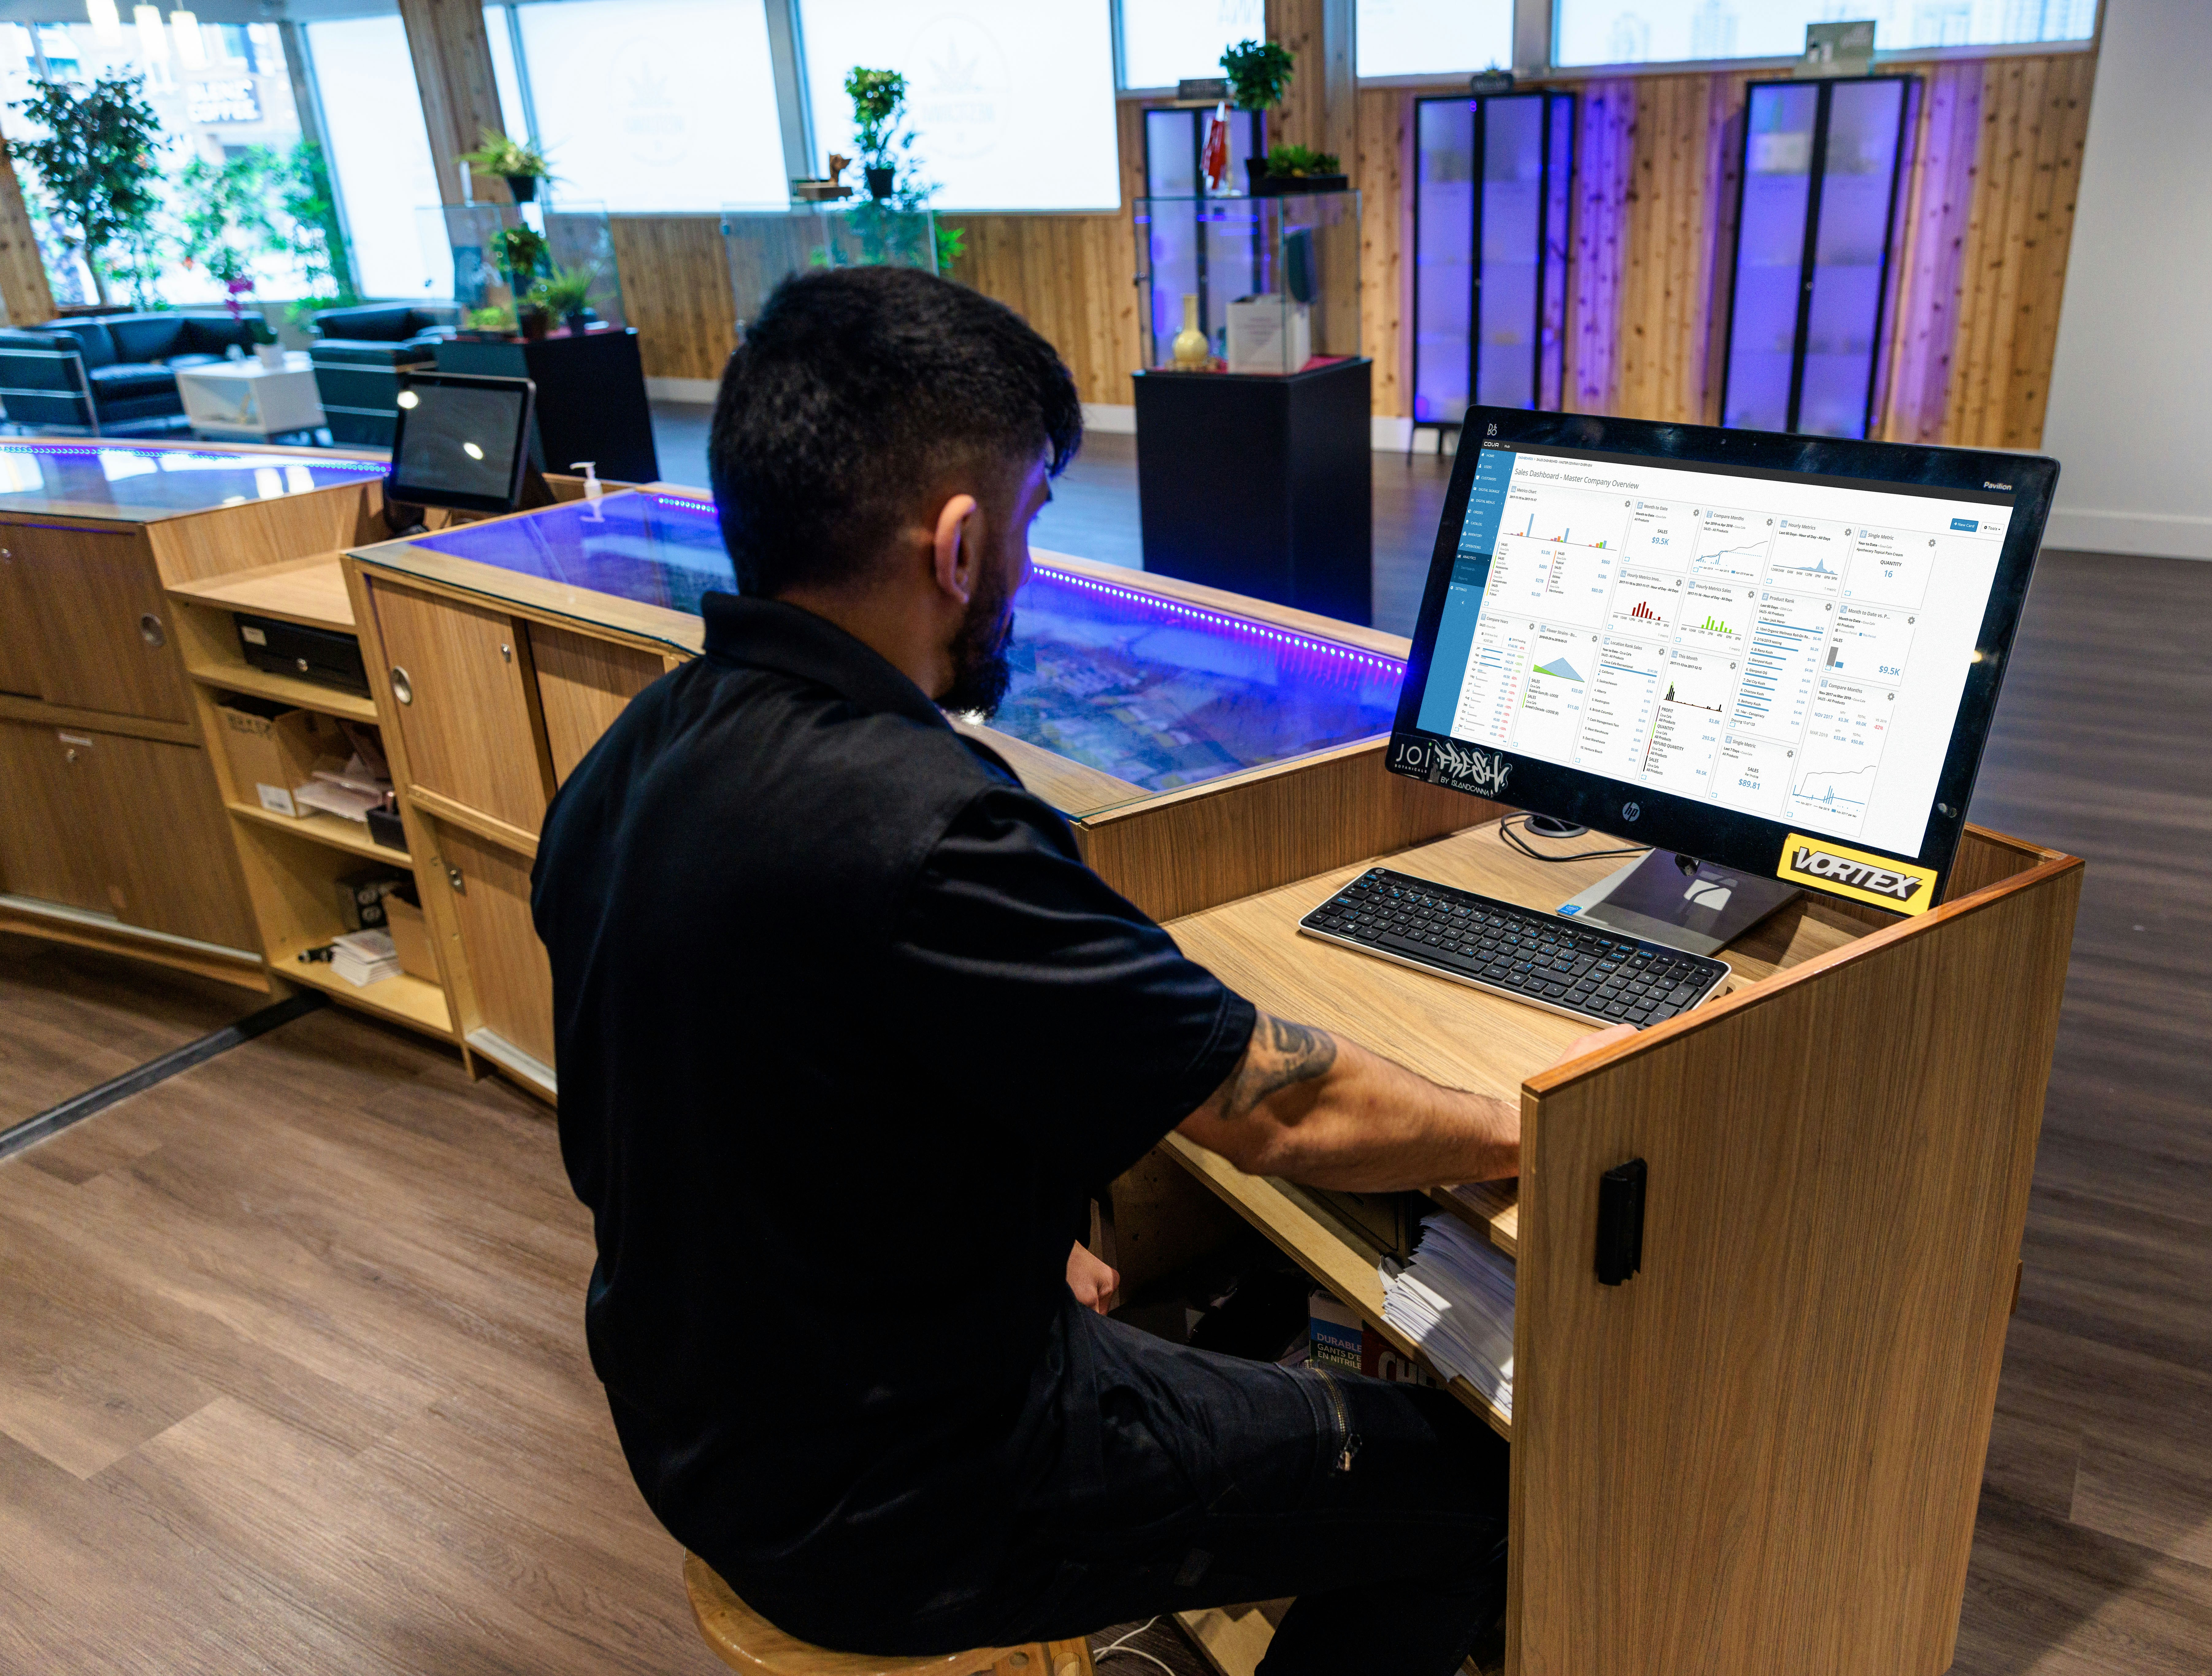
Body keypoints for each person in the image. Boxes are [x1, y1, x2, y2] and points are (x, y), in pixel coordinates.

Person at [531, 267, 1626, 1674]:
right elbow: (1276, 1111)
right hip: (901, 1499)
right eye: (1033, 523)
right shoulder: (925, 826)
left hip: (711, 1425)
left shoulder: (642, 750)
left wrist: (985, 1223)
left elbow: (713, 1106)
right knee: (1469, 1487)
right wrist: (1527, 1125)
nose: (1031, 572)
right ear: (959, 544)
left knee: (1239, 1325)